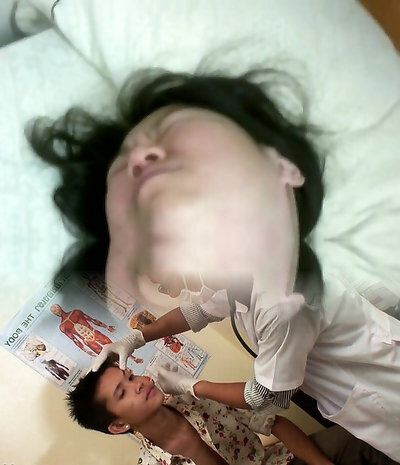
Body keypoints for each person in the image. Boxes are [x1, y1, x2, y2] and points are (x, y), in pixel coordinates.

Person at [30, 70, 400, 460]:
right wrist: (137, 337)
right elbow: (200, 310)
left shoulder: (280, 292)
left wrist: (192, 387)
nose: (158, 284)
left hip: (382, 392)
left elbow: (266, 397)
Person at [65, 362, 397, 465]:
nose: (138, 384)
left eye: (130, 377)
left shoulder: (191, 400)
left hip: (280, 462)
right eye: (123, 392)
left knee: (361, 436)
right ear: (119, 425)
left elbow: (274, 422)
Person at [49, 304, 143, 363]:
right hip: (88, 341)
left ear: (60, 307)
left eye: (56, 309)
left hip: (94, 334)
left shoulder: (75, 313)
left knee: (114, 347)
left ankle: (134, 359)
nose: (56, 312)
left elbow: (92, 320)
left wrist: (106, 327)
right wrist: (86, 351)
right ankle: (127, 369)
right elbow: (74, 339)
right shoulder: (63, 326)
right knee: (107, 356)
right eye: (54, 312)